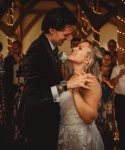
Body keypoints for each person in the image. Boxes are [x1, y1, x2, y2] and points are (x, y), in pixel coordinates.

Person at [17, 8, 92, 150]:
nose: (69, 38)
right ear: (52, 30)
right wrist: (66, 85)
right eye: (66, 34)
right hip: (39, 123)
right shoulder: (37, 51)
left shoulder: (50, 47)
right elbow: (34, 97)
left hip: (48, 119)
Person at [58, 40, 104, 150]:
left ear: (88, 59)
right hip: (64, 133)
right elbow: (53, 97)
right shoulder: (70, 78)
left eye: (80, 48)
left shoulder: (91, 81)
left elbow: (89, 118)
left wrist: (75, 92)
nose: (73, 48)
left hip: (81, 138)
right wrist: (68, 85)